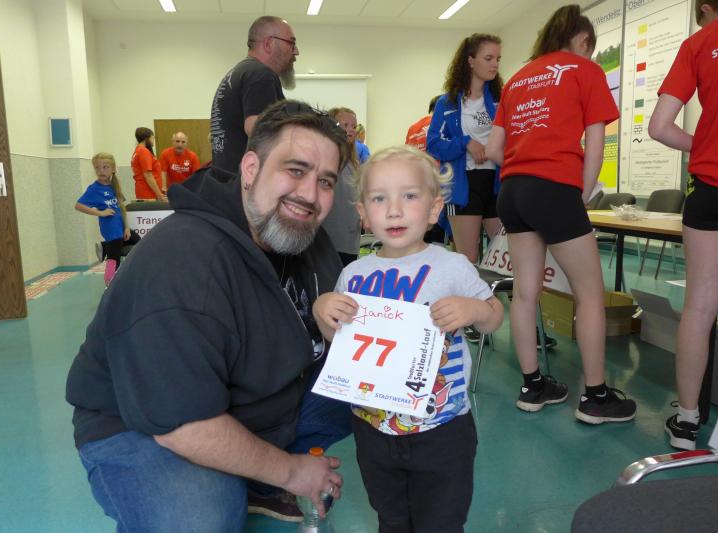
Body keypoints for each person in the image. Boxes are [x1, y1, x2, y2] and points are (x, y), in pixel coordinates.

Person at [66, 100, 353, 531]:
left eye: (325, 181)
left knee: (369, 391)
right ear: (251, 168)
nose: (310, 195)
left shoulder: (306, 240)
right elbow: (180, 424)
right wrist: (292, 472)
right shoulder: (183, 260)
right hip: (143, 425)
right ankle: (255, 470)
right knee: (197, 520)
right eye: (295, 170)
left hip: (250, 399)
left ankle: (253, 474)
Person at [313, 145, 504, 532]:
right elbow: (339, 341)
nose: (394, 210)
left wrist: (474, 309)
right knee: (391, 517)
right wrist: (322, 311)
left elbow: (494, 316)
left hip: (442, 429)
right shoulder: (353, 275)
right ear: (363, 213)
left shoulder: (452, 266)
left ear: (434, 209)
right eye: (379, 199)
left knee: (442, 521)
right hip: (373, 427)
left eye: (410, 196)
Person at [485, 4, 637, 424]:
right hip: (554, 188)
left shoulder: (518, 78)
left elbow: (495, 149)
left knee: (525, 293)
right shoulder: (585, 70)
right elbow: (596, 142)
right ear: (584, 40)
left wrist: (525, 166)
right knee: (589, 294)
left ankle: (533, 387)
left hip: (512, 192)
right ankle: (596, 397)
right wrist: (580, 196)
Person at [648, 0, 718, 450]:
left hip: (713, 182)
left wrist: (706, 142)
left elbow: (659, 127)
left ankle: (687, 420)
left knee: (700, 303)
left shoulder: (700, 43)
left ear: (709, 8)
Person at [427, 33, 504, 267]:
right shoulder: (447, 103)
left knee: (505, 257)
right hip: (464, 186)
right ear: (471, 61)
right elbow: (433, 144)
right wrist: (465, 143)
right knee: (467, 259)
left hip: (497, 184)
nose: (495, 64)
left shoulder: (501, 100)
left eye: (498, 59)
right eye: (488, 58)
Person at [210, 16, 297, 175]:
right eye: (291, 43)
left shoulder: (239, 72)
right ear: (269, 44)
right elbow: (257, 129)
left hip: (226, 180)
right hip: (245, 184)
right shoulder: (261, 75)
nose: (296, 51)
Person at [75, 153, 140, 286]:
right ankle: (109, 284)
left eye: (105, 167)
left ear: (113, 169)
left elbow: (121, 208)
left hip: (121, 228)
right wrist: (100, 212)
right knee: (114, 259)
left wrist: (127, 227)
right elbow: (79, 205)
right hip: (111, 230)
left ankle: (105, 247)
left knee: (138, 242)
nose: (101, 171)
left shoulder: (114, 185)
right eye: (97, 168)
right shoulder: (94, 189)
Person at [322, 107, 362, 266]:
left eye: (354, 126)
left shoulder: (353, 164)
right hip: (330, 241)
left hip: (350, 241)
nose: (350, 130)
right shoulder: (326, 160)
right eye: (345, 125)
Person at [131, 127, 165, 201]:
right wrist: (159, 194)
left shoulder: (138, 150)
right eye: (152, 138)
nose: (153, 140)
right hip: (148, 192)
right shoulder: (143, 151)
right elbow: (148, 175)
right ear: (147, 138)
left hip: (145, 191)